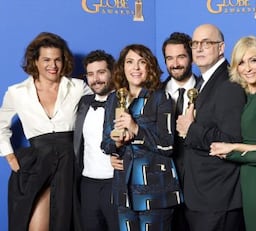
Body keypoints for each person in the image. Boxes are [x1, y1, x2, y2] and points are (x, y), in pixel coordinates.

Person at [0, 32, 89, 231]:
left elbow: (101, 109)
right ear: (35, 61)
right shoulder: (17, 92)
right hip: (37, 164)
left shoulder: (77, 87)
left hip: (69, 162)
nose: (53, 65)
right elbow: (1, 124)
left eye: (58, 59)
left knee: (67, 223)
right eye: (47, 60)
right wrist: (9, 156)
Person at [101, 44, 183, 231]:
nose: (135, 68)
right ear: (122, 67)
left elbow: (167, 146)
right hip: (123, 190)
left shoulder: (161, 99)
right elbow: (105, 143)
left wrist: (135, 128)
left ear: (150, 67)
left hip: (155, 192)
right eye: (130, 62)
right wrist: (116, 144)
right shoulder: (114, 99)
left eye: (141, 62)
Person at [176, 24, 247, 231]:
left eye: (207, 43)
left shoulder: (228, 84)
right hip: (200, 195)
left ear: (221, 47)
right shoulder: (203, 82)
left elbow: (232, 140)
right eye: (195, 43)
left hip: (218, 197)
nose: (199, 48)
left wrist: (191, 130)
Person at [209, 36, 256, 231]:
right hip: (250, 175)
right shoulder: (251, 93)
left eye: (253, 60)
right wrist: (234, 146)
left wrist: (232, 154)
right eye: (241, 62)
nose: (247, 68)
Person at [73, 50, 119, 231]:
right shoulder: (84, 103)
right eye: (90, 74)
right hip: (87, 183)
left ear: (112, 73)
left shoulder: (125, 102)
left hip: (115, 182)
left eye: (101, 72)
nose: (96, 79)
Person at [162, 32, 198, 231]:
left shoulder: (208, 91)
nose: (175, 63)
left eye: (181, 57)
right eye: (169, 58)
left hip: (199, 182)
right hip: (164, 181)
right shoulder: (155, 93)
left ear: (191, 57)